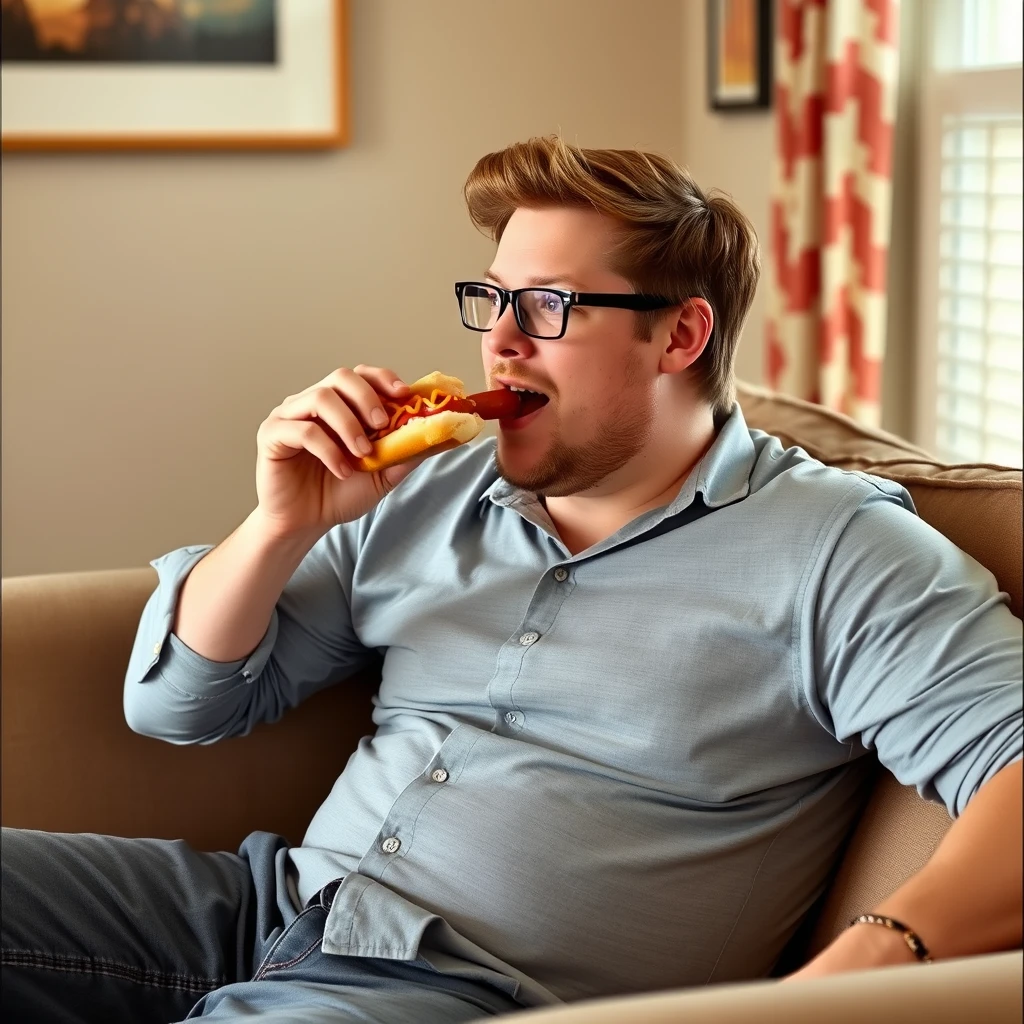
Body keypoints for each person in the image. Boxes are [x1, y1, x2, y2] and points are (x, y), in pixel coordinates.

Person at [3, 136, 1021, 1024]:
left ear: (679, 335)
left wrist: (864, 968)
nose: (498, 339)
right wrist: (280, 525)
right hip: (267, 905)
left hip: (457, 988)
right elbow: (178, 707)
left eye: (547, 305)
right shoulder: (424, 486)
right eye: (491, 298)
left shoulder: (836, 547)